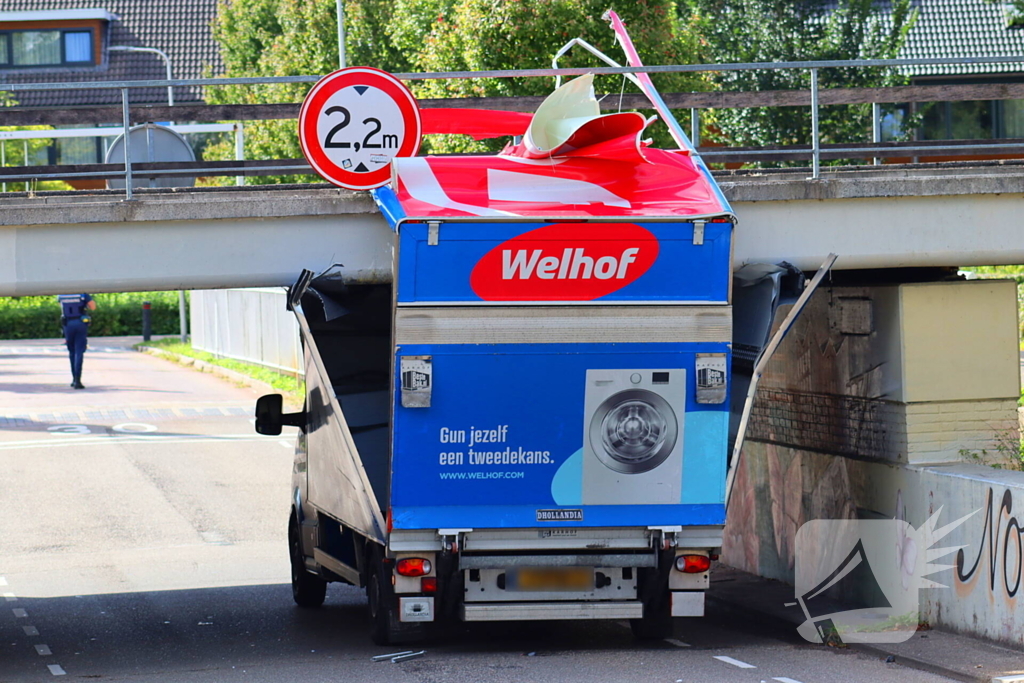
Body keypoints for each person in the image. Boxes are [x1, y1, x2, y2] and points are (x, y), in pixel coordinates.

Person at [56, 293, 96, 389]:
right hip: (80, 322)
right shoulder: (83, 294)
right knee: (79, 352)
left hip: (67, 324)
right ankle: (78, 380)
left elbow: (60, 306)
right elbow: (93, 307)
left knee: (72, 352)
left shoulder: (61, 295)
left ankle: (74, 379)